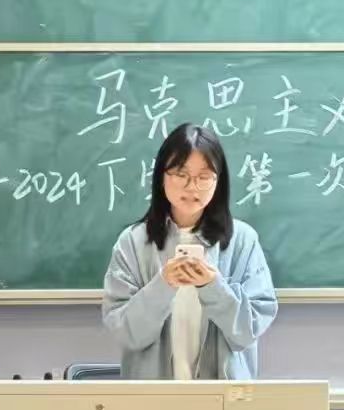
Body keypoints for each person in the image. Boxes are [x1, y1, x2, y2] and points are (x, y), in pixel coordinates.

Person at [102, 123, 278, 379]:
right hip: (153, 396)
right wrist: (163, 285)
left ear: (218, 181)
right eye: (180, 174)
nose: (191, 186)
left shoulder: (242, 241)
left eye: (204, 177)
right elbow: (125, 332)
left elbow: (249, 330)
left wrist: (213, 286)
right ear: (162, 177)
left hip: (222, 396)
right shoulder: (133, 242)